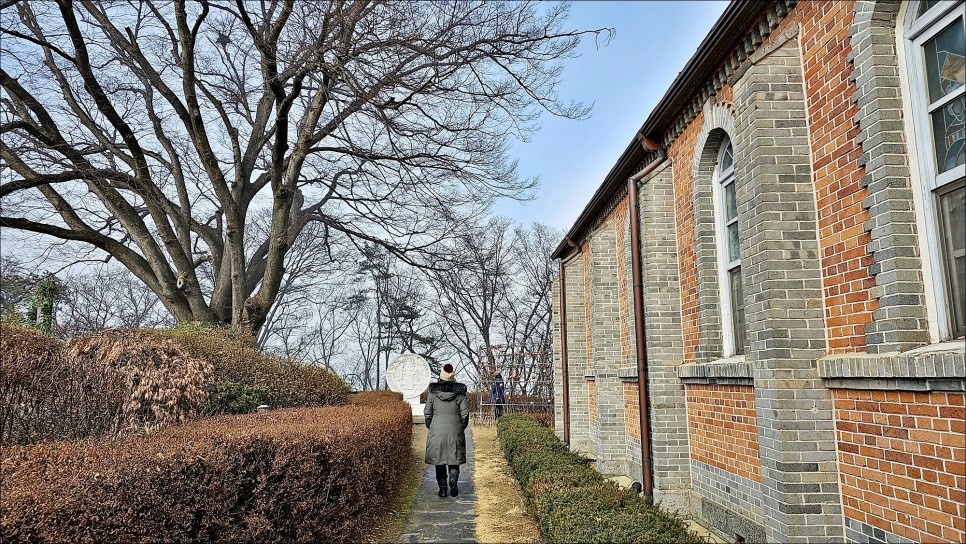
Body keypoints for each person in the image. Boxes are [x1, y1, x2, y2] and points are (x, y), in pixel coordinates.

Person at [424, 363, 469, 498]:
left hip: (437, 430)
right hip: (455, 430)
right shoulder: (460, 394)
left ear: (441, 376)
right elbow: (465, 414)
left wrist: (430, 426)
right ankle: (453, 481)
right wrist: (461, 427)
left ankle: (443, 489)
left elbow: (427, 413)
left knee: (439, 460)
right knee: (454, 459)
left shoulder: (433, 393)